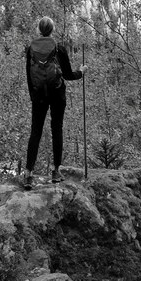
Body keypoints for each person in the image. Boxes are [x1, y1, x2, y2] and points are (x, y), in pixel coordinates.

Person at [24, 16, 87, 189]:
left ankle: (28, 174)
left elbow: (28, 76)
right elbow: (67, 75)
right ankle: (55, 171)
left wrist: (33, 96)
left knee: (35, 132)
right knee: (56, 129)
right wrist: (80, 72)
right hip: (57, 94)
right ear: (52, 30)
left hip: (38, 96)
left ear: (39, 30)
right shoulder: (59, 48)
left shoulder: (30, 49)